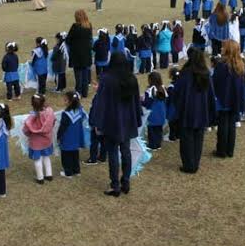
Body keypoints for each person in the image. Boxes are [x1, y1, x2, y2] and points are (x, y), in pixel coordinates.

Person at [89, 52, 143, 197]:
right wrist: (137, 118)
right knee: (126, 151)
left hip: (111, 122)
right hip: (127, 122)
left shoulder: (107, 79)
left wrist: (96, 121)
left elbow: (101, 102)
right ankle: (125, 181)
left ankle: (115, 185)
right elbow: (136, 101)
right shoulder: (132, 78)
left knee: (113, 153)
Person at [173, 48, 216, 173]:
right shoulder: (206, 73)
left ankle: (189, 164)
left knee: (187, 138)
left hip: (187, 110)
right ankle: (195, 163)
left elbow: (177, 92)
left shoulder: (185, 74)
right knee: (198, 138)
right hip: (202, 110)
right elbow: (211, 94)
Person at [211, 40, 245, 157]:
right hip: (234, 99)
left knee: (223, 125)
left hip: (223, 98)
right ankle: (230, 150)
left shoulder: (222, 65)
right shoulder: (240, 64)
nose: (221, 49)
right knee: (231, 124)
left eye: (223, 47)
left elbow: (215, 81)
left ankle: (221, 150)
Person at [22, 94, 57, 184]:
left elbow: (26, 130)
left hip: (35, 143)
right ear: (44, 101)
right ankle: (49, 175)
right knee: (46, 157)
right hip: (46, 141)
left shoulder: (31, 118)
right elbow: (52, 122)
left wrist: (29, 133)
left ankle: (40, 178)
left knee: (37, 160)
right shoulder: (50, 112)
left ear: (32, 104)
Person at [57, 91, 86, 178]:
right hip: (76, 136)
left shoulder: (66, 114)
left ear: (70, 102)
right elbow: (84, 117)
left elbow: (62, 127)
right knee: (75, 154)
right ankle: (77, 171)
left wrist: (59, 136)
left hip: (67, 138)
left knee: (66, 155)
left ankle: (68, 173)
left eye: (65, 100)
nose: (64, 102)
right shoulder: (80, 110)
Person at [66, 10, 94, 98]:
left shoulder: (75, 26)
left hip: (77, 54)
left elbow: (68, 39)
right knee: (85, 73)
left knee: (78, 74)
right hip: (86, 53)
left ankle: (78, 92)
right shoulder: (89, 25)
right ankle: (85, 92)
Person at [142, 71, 167, 150]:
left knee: (152, 130)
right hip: (162, 112)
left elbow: (147, 104)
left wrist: (140, 101)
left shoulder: (150, 90)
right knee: (159, 129)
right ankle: (158, 144)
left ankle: (152, 145)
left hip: (153, 113)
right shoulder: (163, 88)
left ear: (150, 80)